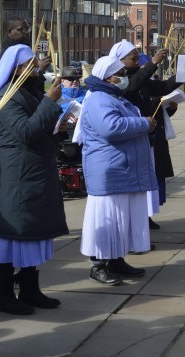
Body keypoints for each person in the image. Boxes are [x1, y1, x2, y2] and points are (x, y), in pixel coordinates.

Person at [0, 44, 68, 315]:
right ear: (15, 68)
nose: (36, 66)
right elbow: (25, 132)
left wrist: (57, 126)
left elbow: (37, 128)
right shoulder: (6, 97)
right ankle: (4, 294)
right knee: (12, 233)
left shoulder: (27, 90)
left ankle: (29, 288)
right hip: (17, 175)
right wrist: (50, 104)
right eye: (29, 63)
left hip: (34, 171)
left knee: (33, 231)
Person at [77, 56, 158, 286]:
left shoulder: (115, 97)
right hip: (109, 170)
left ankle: (116, 259)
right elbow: (111, 128)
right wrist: (144, 123)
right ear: (108, 76)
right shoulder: (99, 99)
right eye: (120, 72)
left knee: (122, 219)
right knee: (106, 219)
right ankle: (98, 264)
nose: (124, 76)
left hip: (122, 168)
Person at [110, 41, 181, 230]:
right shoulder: (118, 80)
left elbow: (161, 87)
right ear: (119, 60)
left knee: (152, 177)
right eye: (132, 57)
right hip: (135, 137)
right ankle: (139, 218)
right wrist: (153, 63)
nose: (136, 59)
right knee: (140, 180)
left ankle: (146, 215)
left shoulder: (136, 75)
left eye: (136, 56)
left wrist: (181, 76)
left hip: (150, 135)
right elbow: (132, 87)